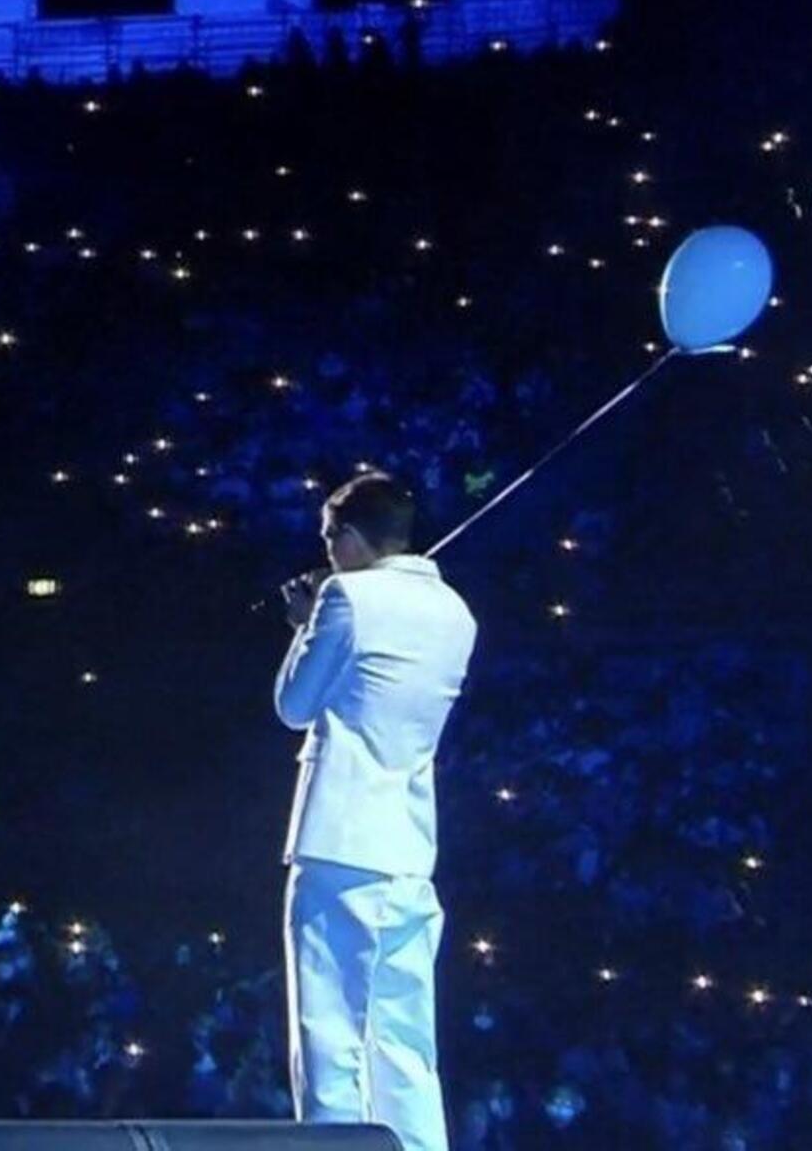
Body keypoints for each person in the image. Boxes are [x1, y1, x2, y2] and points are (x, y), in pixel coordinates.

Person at [274, 470, 477, 1151]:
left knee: (330, 1033)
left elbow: (294, 706)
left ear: (353, 538)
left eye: (331, 539)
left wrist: (305, 628)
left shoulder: (345, 597)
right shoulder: (457, 611)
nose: (327, 555)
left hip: (338, 842)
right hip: (409, 850)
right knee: (403, 1042)